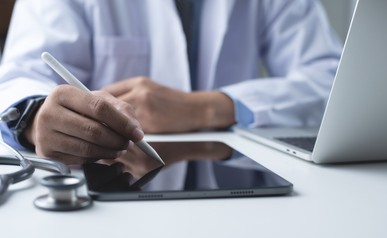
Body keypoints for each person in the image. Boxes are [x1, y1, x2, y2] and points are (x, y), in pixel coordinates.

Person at [0, 0, 342, 165]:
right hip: (104, 194)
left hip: (237, 182)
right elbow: (20, 79)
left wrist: (210, 107)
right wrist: (34, 119)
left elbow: (334, 82)